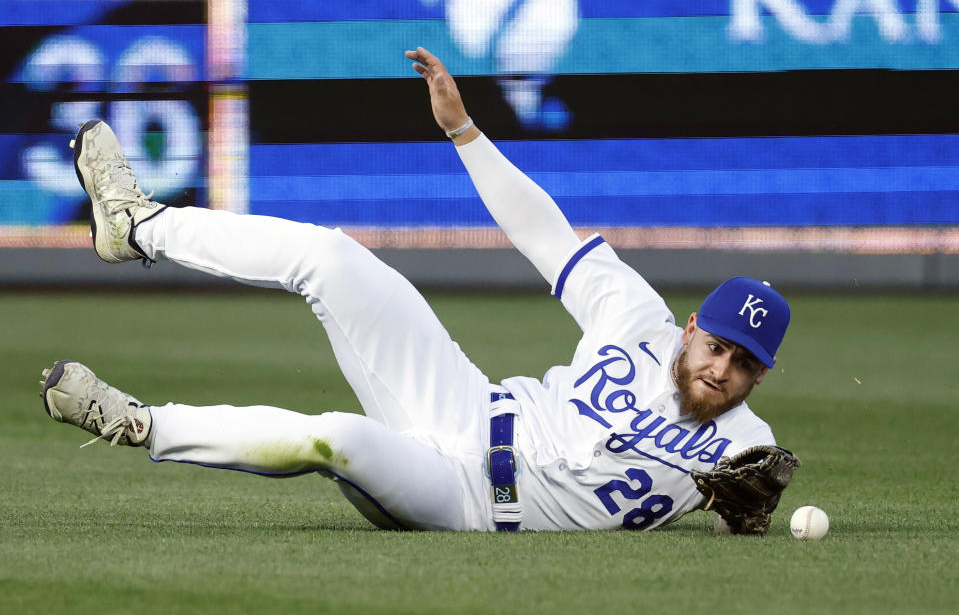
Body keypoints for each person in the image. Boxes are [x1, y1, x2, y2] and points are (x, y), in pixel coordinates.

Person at [41, 47, 792, 533]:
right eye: (717, 346)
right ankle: (137, 224)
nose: (721, 369)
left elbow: (741, 522)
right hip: (464, 402)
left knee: (335, 436)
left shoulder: (745, 447)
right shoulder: (636, 318)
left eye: (743, 365)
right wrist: (465, 130)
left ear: (760, 376)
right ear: (691, 326)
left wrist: (748, 519)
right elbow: (543, 234)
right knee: (331, 258)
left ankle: (137, 424)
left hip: (462, 501)